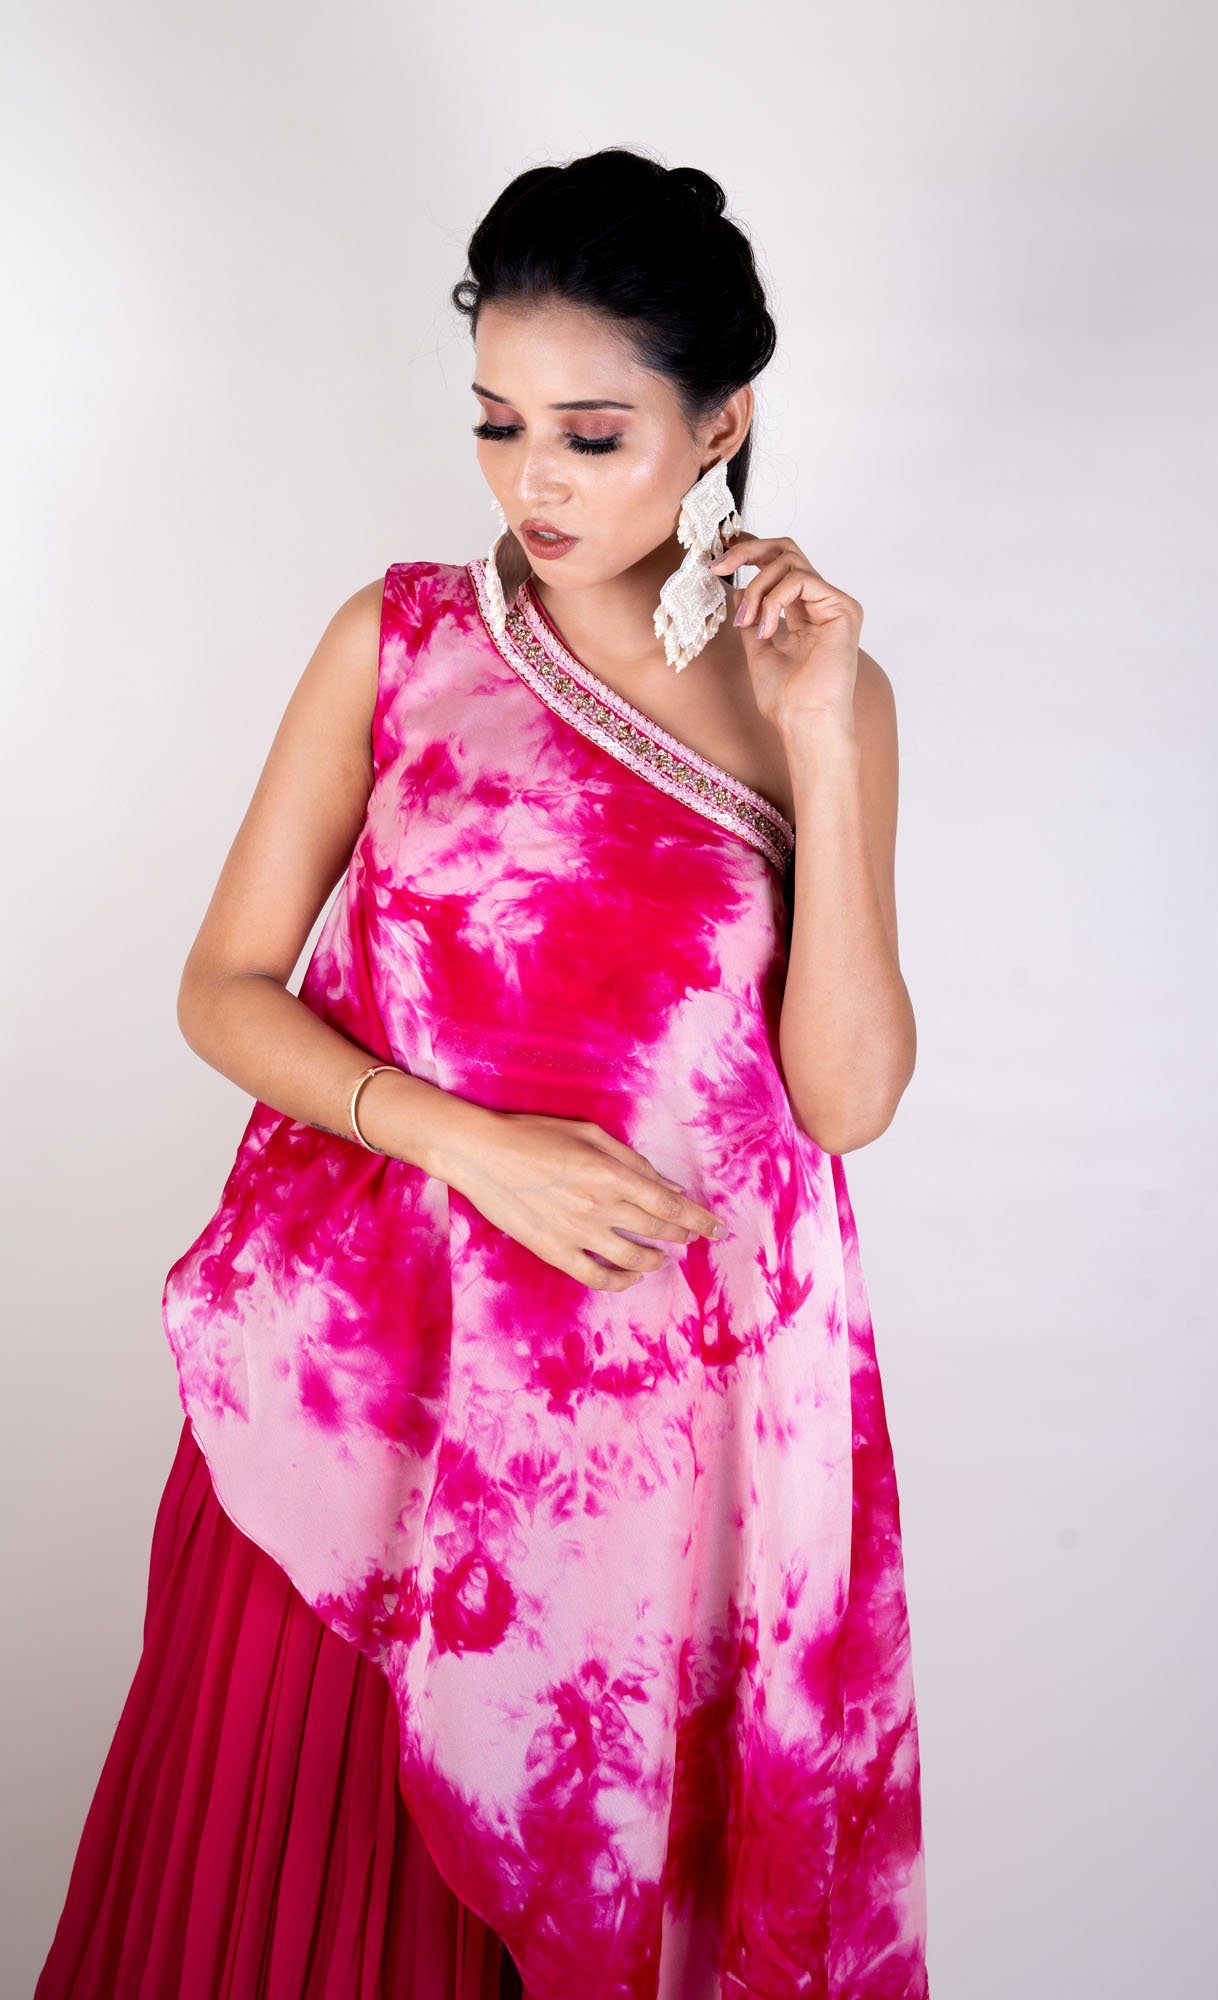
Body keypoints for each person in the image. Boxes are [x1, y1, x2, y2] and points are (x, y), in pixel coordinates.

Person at [36, 145, 929, 2000]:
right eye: (497, 423)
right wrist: (472, 1147)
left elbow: (843, 1104)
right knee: (290, 1907)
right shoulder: (402, 641)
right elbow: (222, 989)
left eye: (592, 435)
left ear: (719, 425)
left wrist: (826, 744)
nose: (534, 480)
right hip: (363, 1394)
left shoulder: (817, 698)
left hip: (654, 1447)